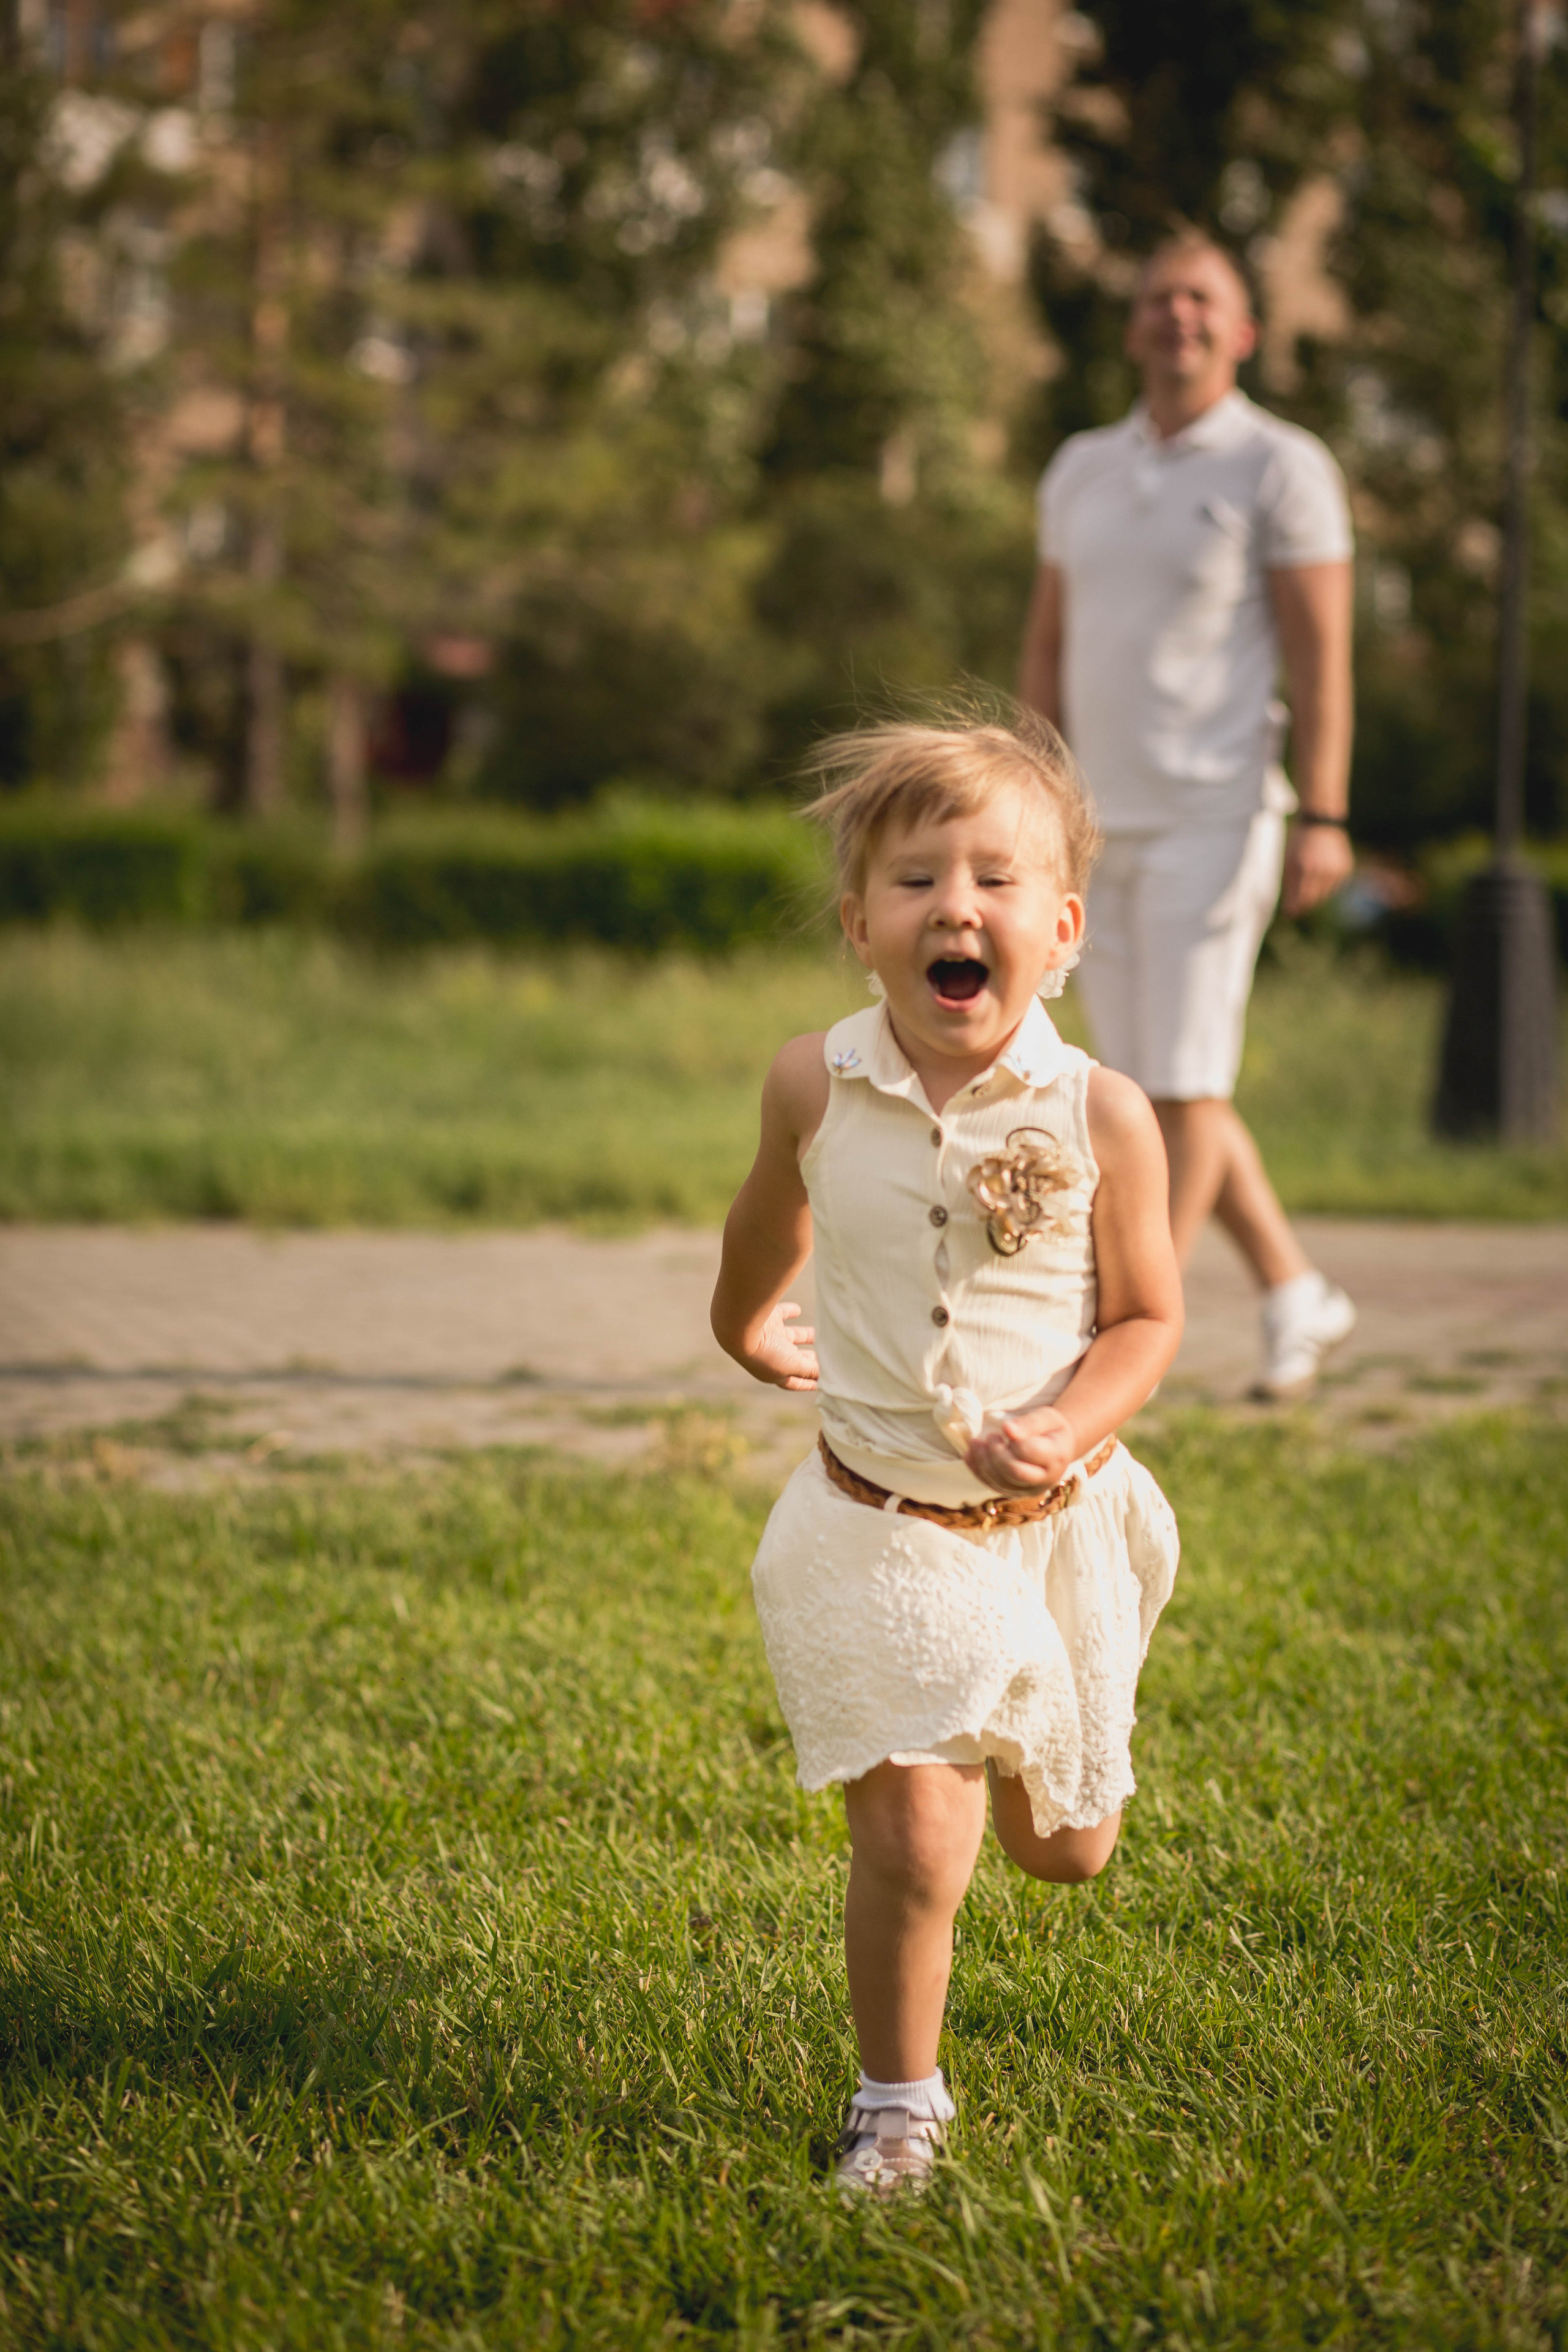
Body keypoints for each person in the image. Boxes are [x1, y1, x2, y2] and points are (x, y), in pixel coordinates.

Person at [710, 709, 1183, 2196]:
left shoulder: (1101, 1110)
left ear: (1059, 927)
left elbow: (1151, 1315)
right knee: (920, 1835)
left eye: (991, 879)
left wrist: (1073, 1418)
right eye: (915, 882)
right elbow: (760, 1224)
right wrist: (744, 1326)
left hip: (1050, 1523)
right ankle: (896, 2104)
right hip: (871, 1517)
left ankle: (1042, 1741)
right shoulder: (812, 1080)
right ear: (861, 925)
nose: (953, 908)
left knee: (1064, 1851)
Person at [1019, 229, 1357, 1400]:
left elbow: (1323, 657)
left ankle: (1115, 1333)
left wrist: (1325, 812)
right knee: (1160, 1080)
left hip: (1222, 819)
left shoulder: (1281, 466)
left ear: (1243, 329)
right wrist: (1028, 797)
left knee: (1183, 1088)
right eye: (1159, 299)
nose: (1180, 317)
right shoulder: (1079, 469)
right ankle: (1294, 1290)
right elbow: (1049, 643)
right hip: (1096, 825)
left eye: (1203, 300)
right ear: (1131, 327)